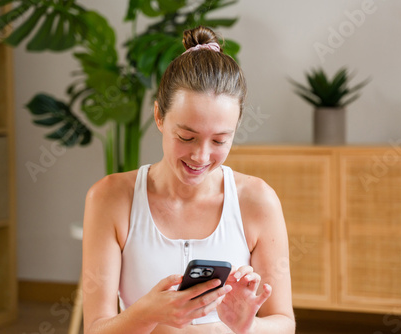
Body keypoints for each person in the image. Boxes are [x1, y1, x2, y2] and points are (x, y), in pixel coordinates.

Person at [82, 26, 295, 334]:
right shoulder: (110, 198)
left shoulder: (258, 201)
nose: (201, 156)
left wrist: (245, 326)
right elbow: (95, 330)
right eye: (186, 136)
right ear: (159, 116)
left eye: (220, 141)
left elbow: (284, 324)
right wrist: (146, 313)